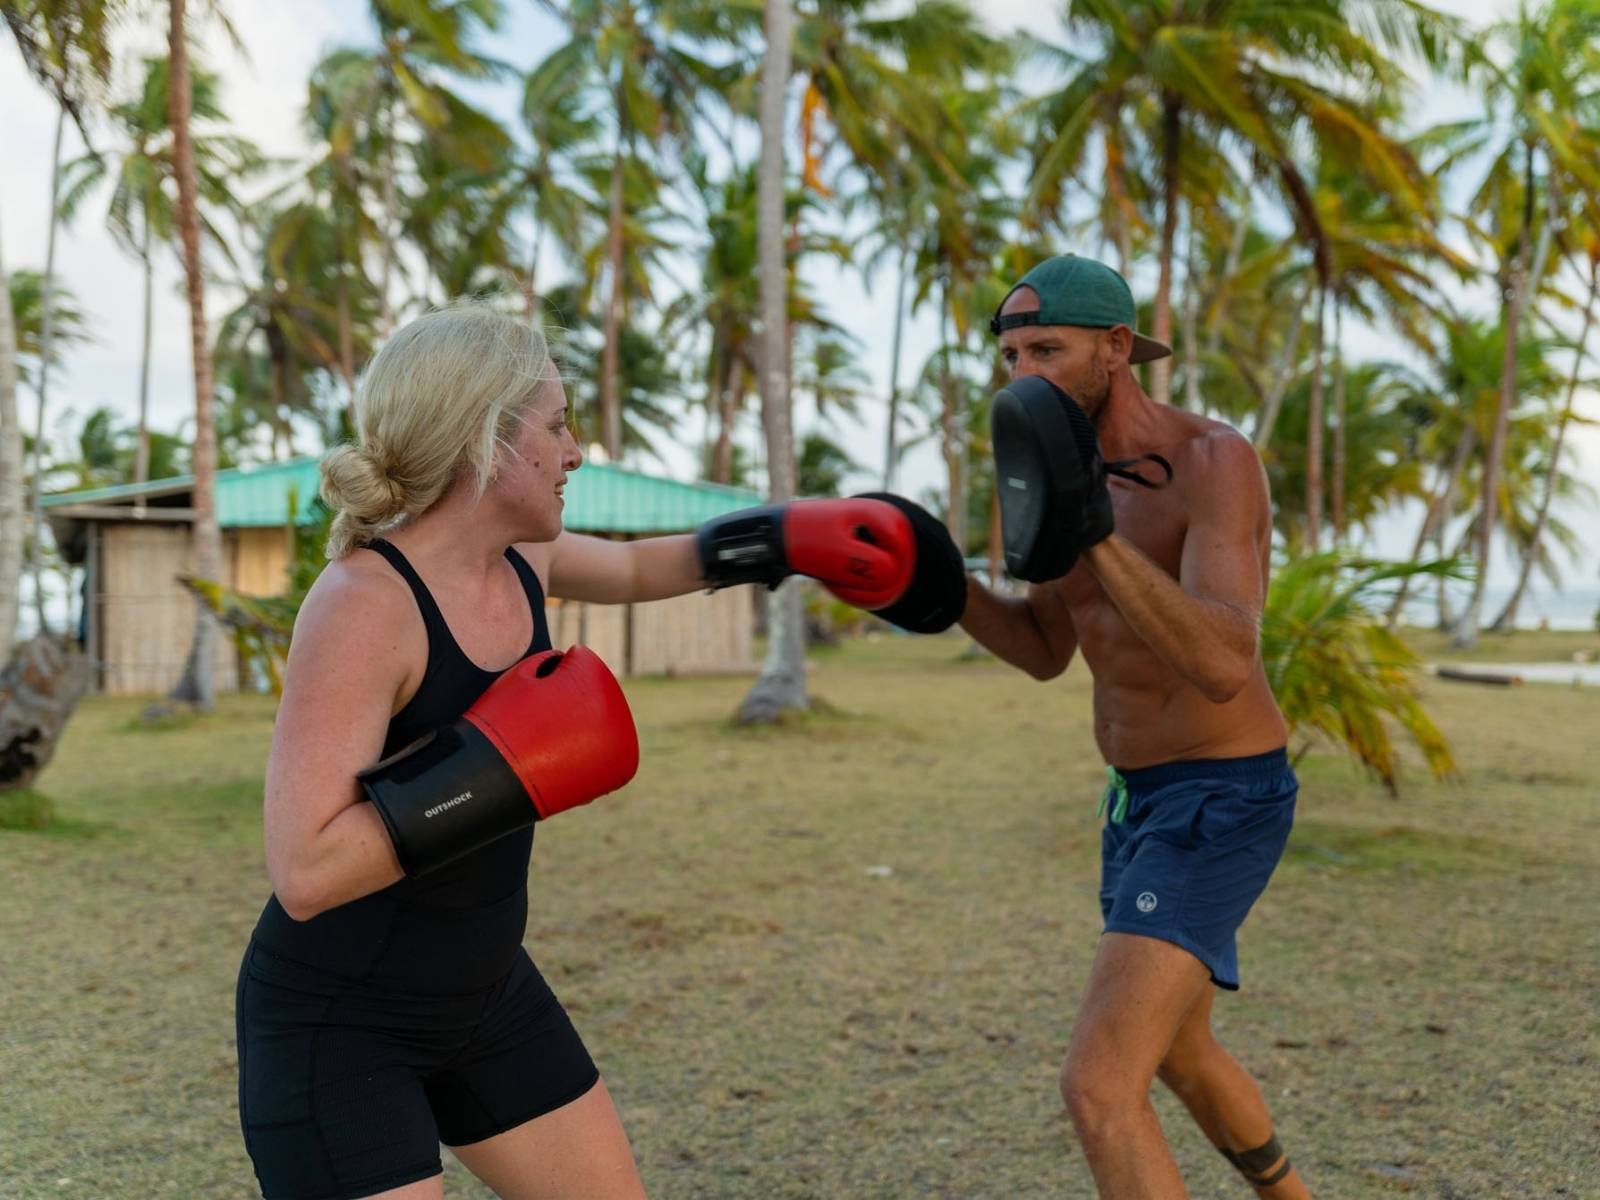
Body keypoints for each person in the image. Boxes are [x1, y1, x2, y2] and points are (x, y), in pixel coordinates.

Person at [234, 302, 963, 1200]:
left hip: (485, 995)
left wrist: (783, 537)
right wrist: (492, 770)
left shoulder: (522, 561)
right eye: (556, 426)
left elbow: (637, 567)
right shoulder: (363, 603)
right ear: (485, 441)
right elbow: (304, 871)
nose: (575, 451)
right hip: (340, 1026)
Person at [960, 255, 1311, 1198]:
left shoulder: (1211, 462)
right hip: (1133, 801)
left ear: (1116, 349)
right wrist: (937, 587)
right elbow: (1045, 646)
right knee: (1182, 1053)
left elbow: (1223, 660)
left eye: (1047, 350)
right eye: (1011, 356)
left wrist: (1096, 533)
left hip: (1222, 797)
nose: (1023, 374)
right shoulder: (1045, 473)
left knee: (1099, 1087)